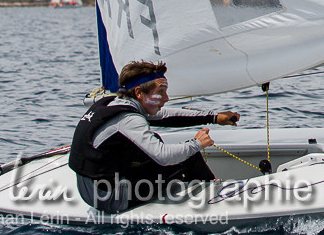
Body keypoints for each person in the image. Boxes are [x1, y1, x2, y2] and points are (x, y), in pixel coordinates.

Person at [67, 60, 240, 214]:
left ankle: (193, 189)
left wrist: (214, 117)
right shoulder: (129, 119)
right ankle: (216, 201)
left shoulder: (113, 103)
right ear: (139, 93)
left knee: (156, 141)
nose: (166, 98)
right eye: (161, 92)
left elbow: (166, 115)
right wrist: (197, 144)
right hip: (110, 199)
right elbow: (163, 157)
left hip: (91, 190)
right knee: (188, 157)